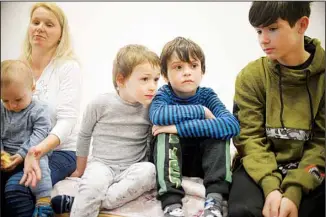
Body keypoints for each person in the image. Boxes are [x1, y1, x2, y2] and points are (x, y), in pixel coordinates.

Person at [228, 2, 325, 217]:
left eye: (272, 29)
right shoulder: (251, 77)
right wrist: (271, 187)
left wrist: (294, 191)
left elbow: (322, 142)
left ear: (302, 25)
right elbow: (249, 138)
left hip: (309, 167)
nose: (263, 39)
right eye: (259, 31)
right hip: (260, 165)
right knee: (242, 212)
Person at [51, 44, 161, 217]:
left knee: (150, 171)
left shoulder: (152, 108)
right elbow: (84, 135)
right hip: (102, 165)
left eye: (156, 79)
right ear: (121, 80)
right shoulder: (100, 103)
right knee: (92, 186)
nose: (153, 86)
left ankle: (79, 203)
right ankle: (85, 201)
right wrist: (80, 169)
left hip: (132, 168)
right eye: (145, 79)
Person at [3, 3, 82, 217]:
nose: (39, 28)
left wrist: (36, 151)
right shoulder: (15, 67)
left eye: (49, 24)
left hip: (59, 151)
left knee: (17, 188)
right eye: (35, 22)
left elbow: (67, 121)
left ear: (61, 34)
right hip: (18, 151)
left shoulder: (68, 68)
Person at [149, 37, 240, 217]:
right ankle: (172, 205)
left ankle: (214, 201)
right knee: (164, 137)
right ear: (165, 75)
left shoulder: (207, 95)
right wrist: (201, 111)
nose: (187, 72)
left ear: (202, 70)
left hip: (202, 163)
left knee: (219, 133)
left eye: (193, 66)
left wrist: (178, 128)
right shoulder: (163, 95)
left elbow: (231, 125)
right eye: (178, 67)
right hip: (173, 164)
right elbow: (157, 115)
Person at [1, 60, 53, 217]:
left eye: (18, 100)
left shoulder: (40, 110)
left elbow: (40, 134)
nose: (12, 106)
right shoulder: (2, 111)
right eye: (5, 100)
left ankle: (44, 201)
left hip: (32, 151)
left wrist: (24, 153)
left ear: (32, 88)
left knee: (40, 163)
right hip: (8, 155)